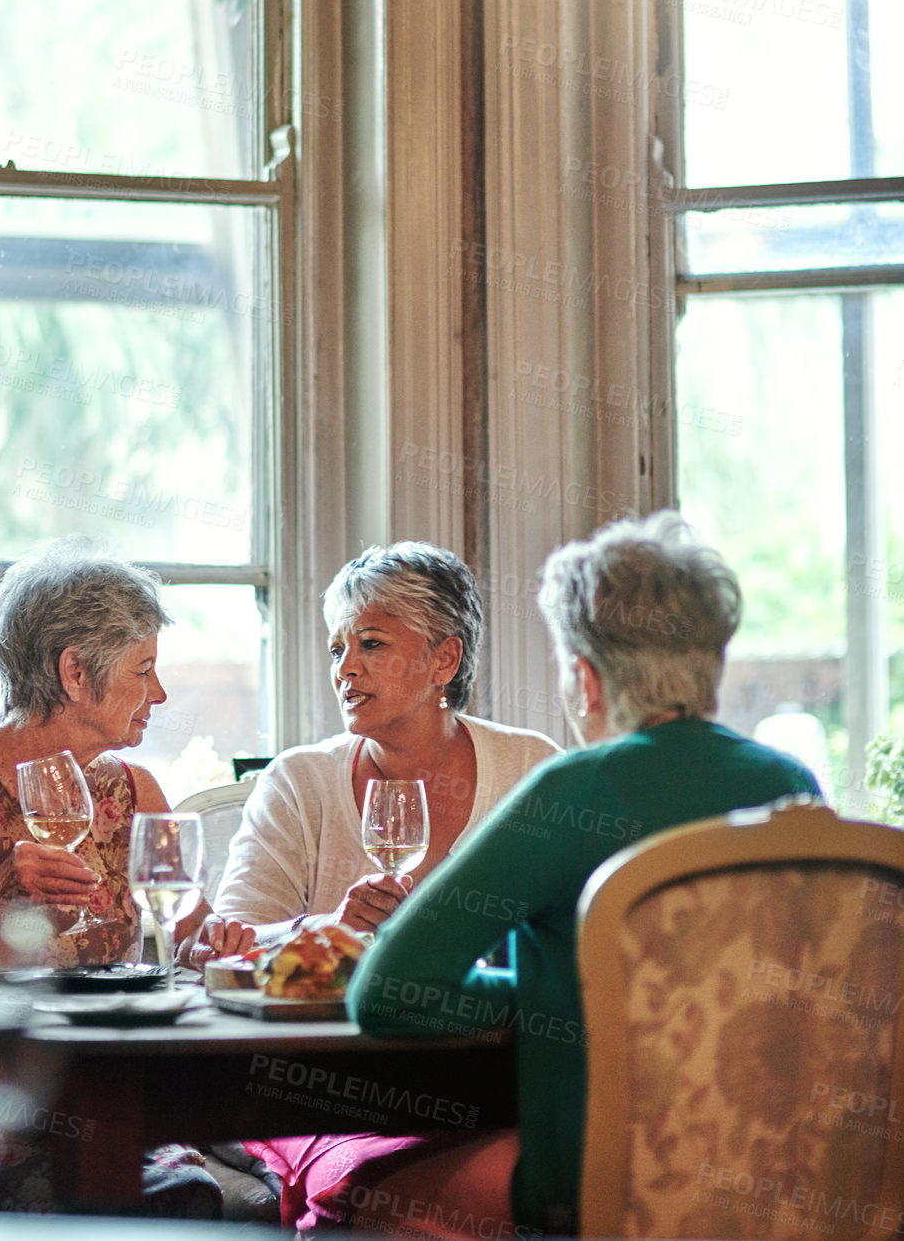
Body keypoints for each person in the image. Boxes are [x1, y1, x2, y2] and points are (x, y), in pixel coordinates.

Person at [347, 512, 822, 1236]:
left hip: (602, 1169)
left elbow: (385, 993)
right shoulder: (792, 785)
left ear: (586, 678)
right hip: (773, 1168)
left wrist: (540, 995)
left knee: (371, 1206)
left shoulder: (575, 790)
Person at [0, 538, 255, 1216]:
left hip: (113, 1093)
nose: (158, 693)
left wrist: (220, 940)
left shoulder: (138, 793)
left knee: (180, 1192)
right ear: (75, 671)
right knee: (153, 1197)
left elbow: (193, 934)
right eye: (143, 670)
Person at [214, 540, 560, 1227]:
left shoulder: (530, 768)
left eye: (369, 644)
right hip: (320, 1090)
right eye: (337, 647)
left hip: (485, 1080)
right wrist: (325, 930)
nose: (343, 669)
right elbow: (227, 948)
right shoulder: (301, 780)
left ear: (445, 659)